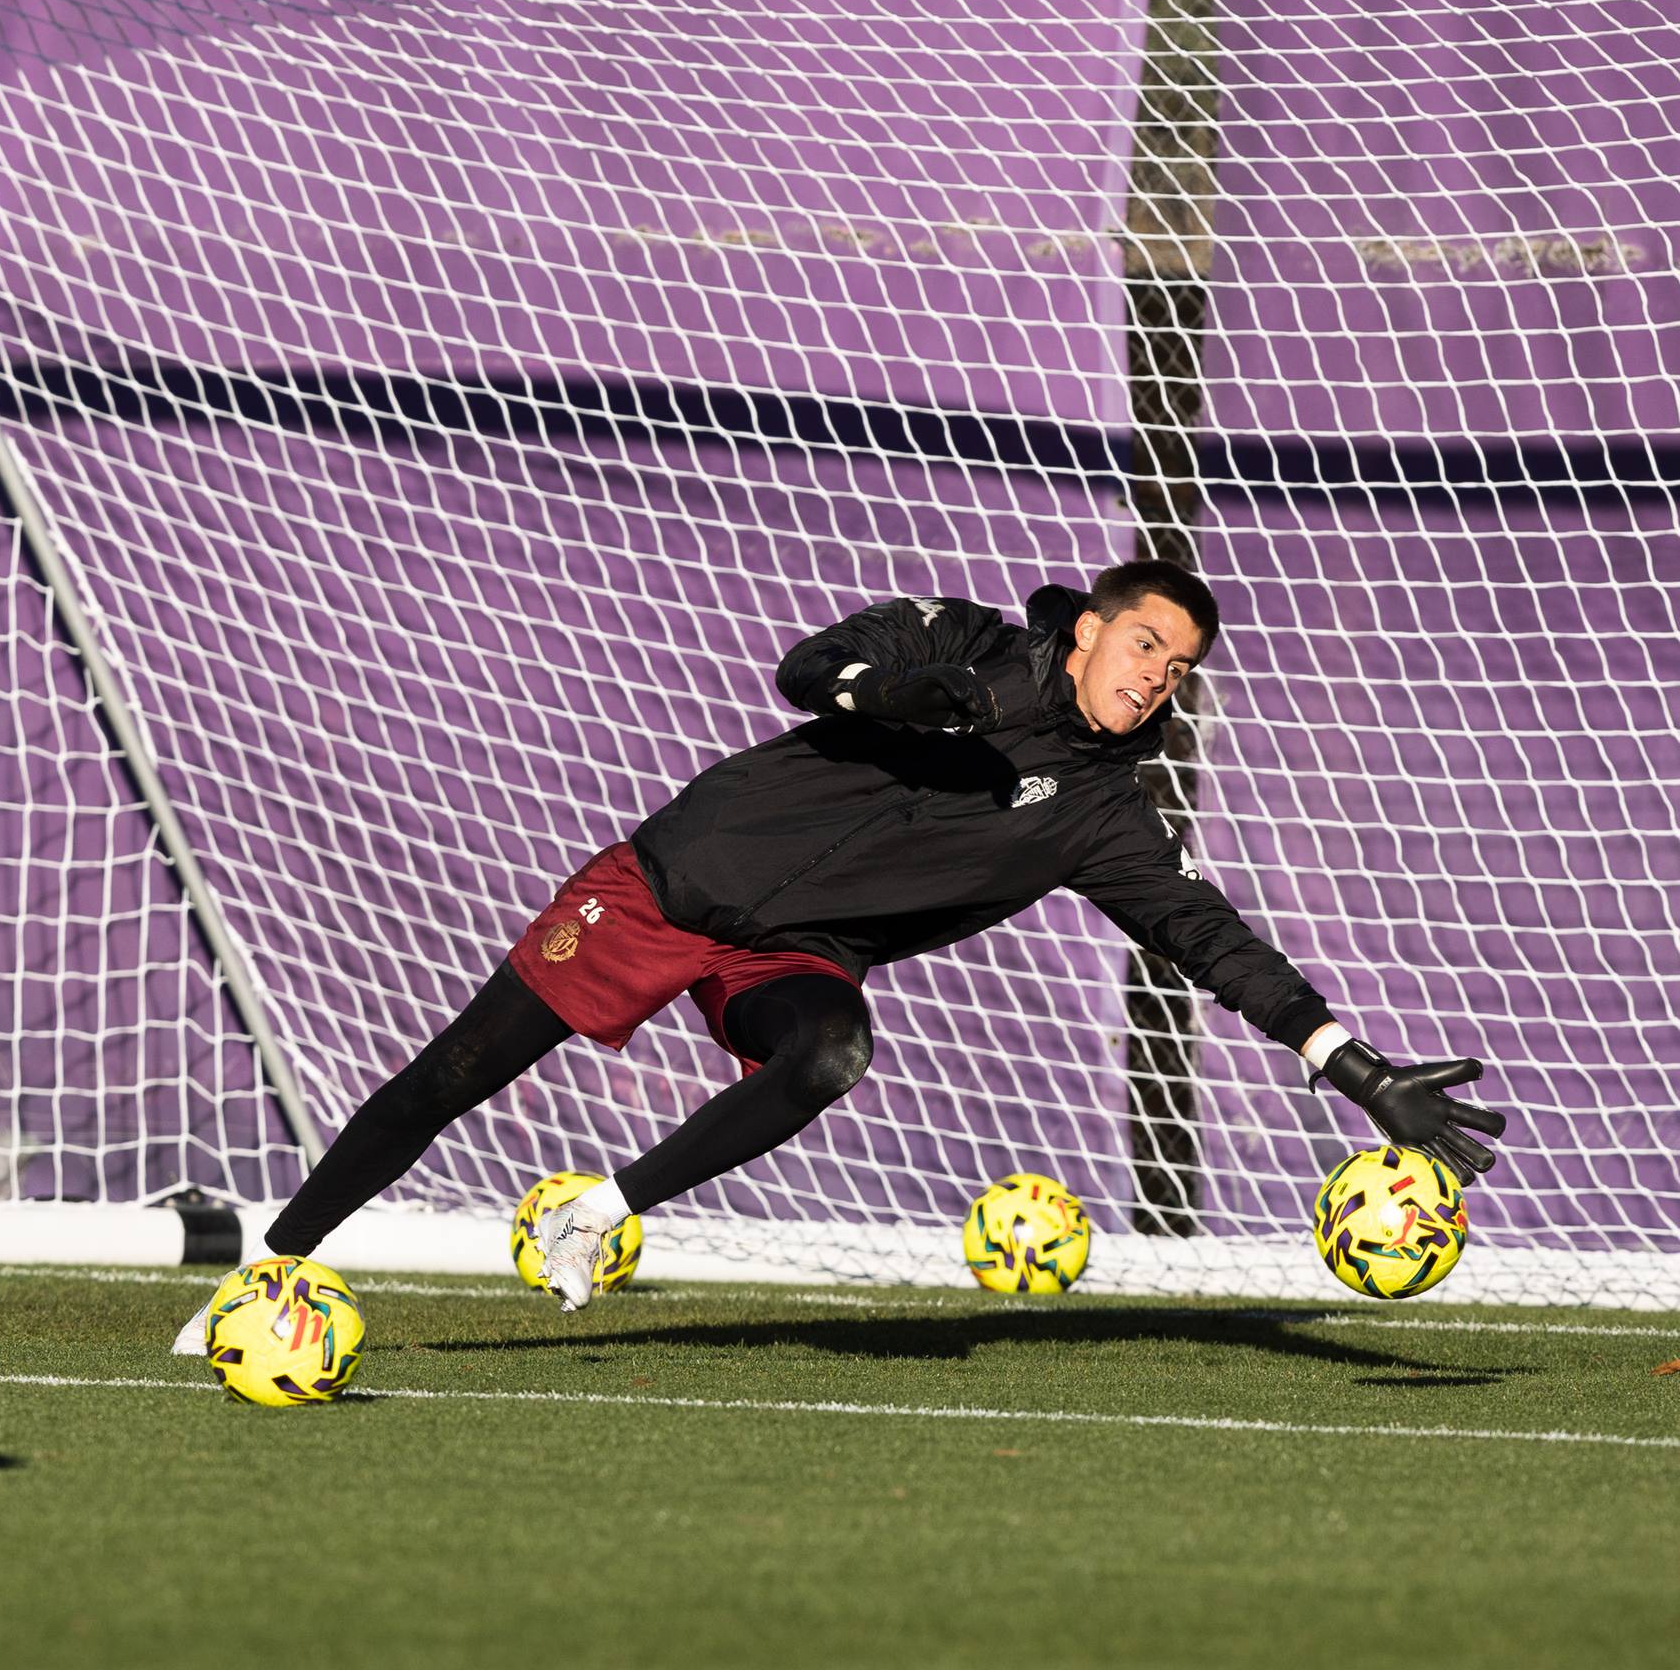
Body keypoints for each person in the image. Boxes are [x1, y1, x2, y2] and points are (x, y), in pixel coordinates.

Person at [176, 560, 1505, 1348]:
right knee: (455, 1073)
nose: (1158, 673)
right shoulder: (973, 646)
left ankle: (602, 1211)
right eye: (1144, 641)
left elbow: (1204, 937)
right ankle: (275, 1263)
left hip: (795, 953)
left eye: (1181, 665)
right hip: (674, 884)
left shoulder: (1107, 817)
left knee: (830, 1054)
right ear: (1090, 629)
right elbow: (810, 667)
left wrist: (1349, 1062)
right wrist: (894, 696)